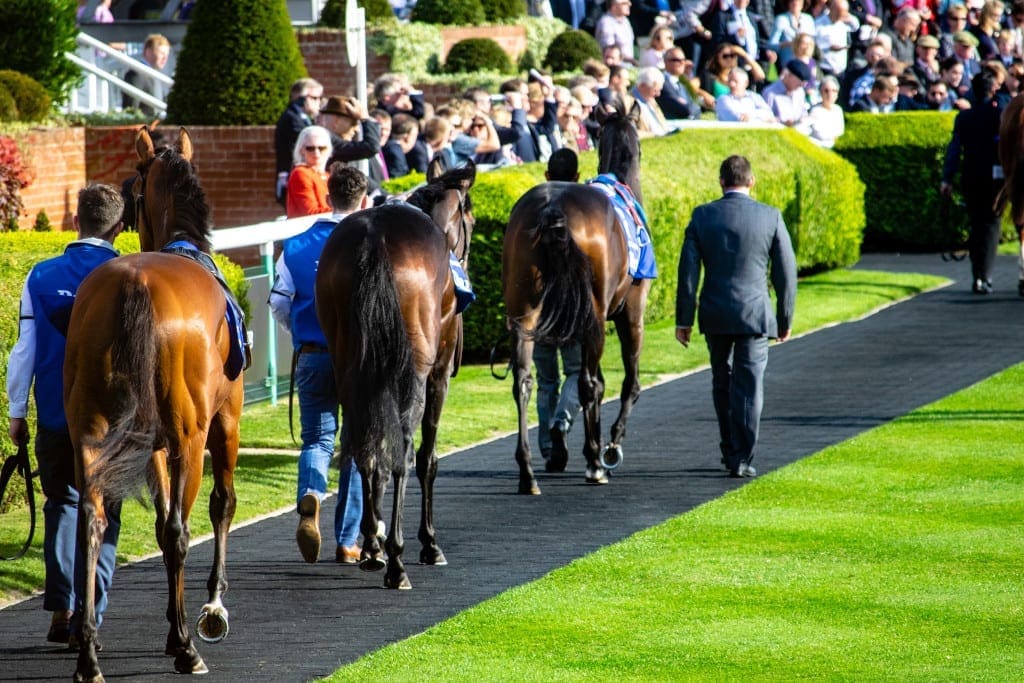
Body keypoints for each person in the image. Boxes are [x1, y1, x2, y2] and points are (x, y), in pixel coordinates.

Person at [6, 183, 126, 645]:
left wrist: (17, 413)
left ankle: (62, 606)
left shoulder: (40, 275)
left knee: (62, 504)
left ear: (76, 221)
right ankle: (89, 612)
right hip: (113, 422)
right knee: (105, 512)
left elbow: (24, 351)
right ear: (118, 229)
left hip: (56, 413)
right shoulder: (127, 273)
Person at [269, 164, 371, 564]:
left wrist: (300, 331)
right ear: (362, 200)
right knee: (357, 446)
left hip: (312, 354)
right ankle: (347, 541)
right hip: (360, 362)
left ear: (328, 197)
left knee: (318, 441)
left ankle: (310, 494)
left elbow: (278, 303)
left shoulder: (294, 246)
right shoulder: (372, 242)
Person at [675, 155, 797, 478]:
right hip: (755, 313)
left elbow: (688, 273)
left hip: (715, 312)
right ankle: (742, 455)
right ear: (751, 181)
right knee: (750, 385)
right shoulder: (770, 216)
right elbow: (786, 272)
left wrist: (683, 319)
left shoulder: (702, 216)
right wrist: (784, 318)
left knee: (722, 380)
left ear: (721, 182)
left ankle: (730, 447)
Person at [534, 148, 583, 467]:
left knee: (546, 380)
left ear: (547, 177)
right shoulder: (586, 209)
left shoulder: (530, 210)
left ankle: (547, 444)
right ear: (578, 178)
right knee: (578, 371)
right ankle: (561, 423)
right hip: (574, 309)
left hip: (539, 311)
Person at [941, 70, 1006, 294]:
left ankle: (977, 274)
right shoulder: (998, 115)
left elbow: (954, 150)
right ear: (993, 90)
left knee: (976, 223)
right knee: (991, 224)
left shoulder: (964, 117)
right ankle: (984, 275)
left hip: (970, 175)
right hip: (994, 177)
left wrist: (947, 178)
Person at [274, 78, 324, 205]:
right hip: (294, 177)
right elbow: (306, 141)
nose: (319, 102)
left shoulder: (303, 117)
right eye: (314, 98)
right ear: (300, 98)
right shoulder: (292, 119)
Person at [286, 125, 332, 218]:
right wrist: (348, 211)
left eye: (321, 148)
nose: (316, 153)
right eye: (310, 148)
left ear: (328, 149)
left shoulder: (327, 175)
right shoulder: (300, 173)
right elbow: (310, 213)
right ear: (302, 150)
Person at [121, 33, 171, 117]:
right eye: (162, 53)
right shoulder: (136, 74)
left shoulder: (156, 76)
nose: (165, 58)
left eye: (167, 54)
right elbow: (130, 110)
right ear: (148, 52)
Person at [658, 47, 707, 118]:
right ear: (665, 62)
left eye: (683, 60)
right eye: (676, 60)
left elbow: (696, 109)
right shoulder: (661, 81)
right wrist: (687, 107)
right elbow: (679, 107)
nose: (681, 63)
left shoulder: (682, 85)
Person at [595, 0, 639, 66]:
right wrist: (632, 61)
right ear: (614, 6)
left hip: (627, 67)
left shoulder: (625, 21)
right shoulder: (606, 23)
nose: (629, 4)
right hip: (614, 68)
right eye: (624, 3)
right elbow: (609, 51)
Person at [808, 74, 846, 146]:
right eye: (826, 91)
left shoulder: (838, 110)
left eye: (834, 91)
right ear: (821, 92)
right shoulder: (815, 110)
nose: (830, 94)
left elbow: (840, 133)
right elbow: (820, 134)